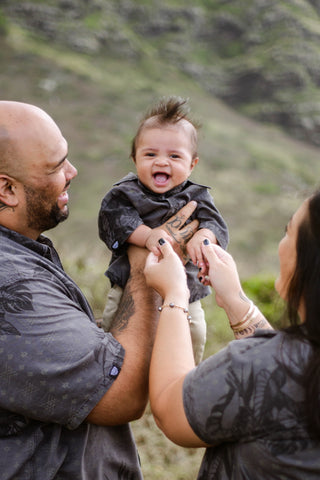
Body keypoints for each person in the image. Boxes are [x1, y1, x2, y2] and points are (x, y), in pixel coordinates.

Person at [0, 100, 199, 479]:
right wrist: (147, 261)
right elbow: (116, 394)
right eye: (56, 166)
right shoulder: (11, 285)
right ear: (6, 189)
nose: (72, 172)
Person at [144, 192, 320, 479]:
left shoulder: (262, 366)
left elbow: (168, 408)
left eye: (288, 230)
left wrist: (175, 293)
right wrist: (236, 303)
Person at [98, 96, 229, 364]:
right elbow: (113, 219)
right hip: (129, 289)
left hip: (185, 288)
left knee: (193, 334)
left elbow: (215, 223)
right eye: (150, 154)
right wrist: (148, 236)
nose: (161, 162)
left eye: (174, 156)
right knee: (116, 332)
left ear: (192, 164)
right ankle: (116, 379)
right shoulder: (125, 193)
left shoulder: (198, 195)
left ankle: (180, 381)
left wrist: (204, 237)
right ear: (135, 158)